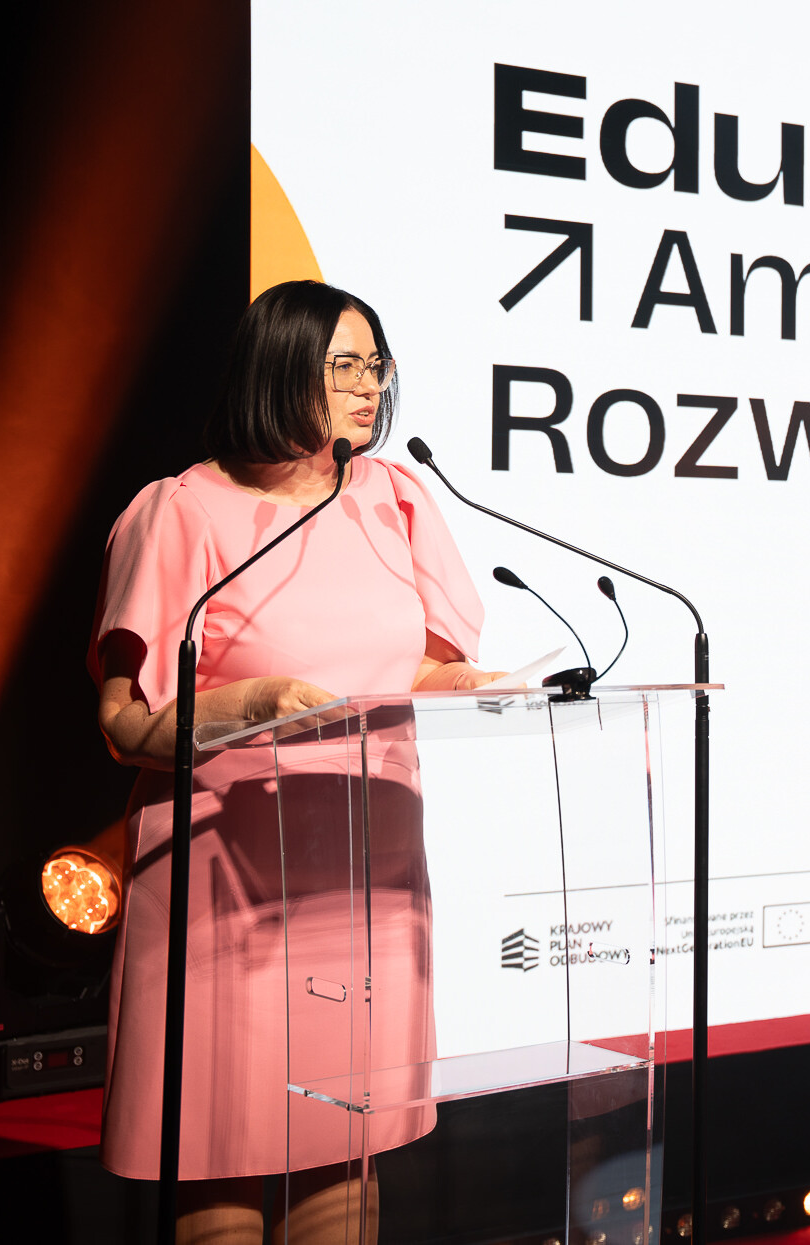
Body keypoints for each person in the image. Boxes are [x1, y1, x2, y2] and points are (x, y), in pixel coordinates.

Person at [90, 280, 503, 1244]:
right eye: (344, 365)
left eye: (376, 365)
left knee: (341, 1151)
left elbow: (406, 668)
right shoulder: (182, 512)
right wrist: (250, 704)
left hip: (362, 871)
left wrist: (478, 684)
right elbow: (122, 723)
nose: (369, 386)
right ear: (278, 367)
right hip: (224, 883)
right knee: (222, 1157)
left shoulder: (394, 502)